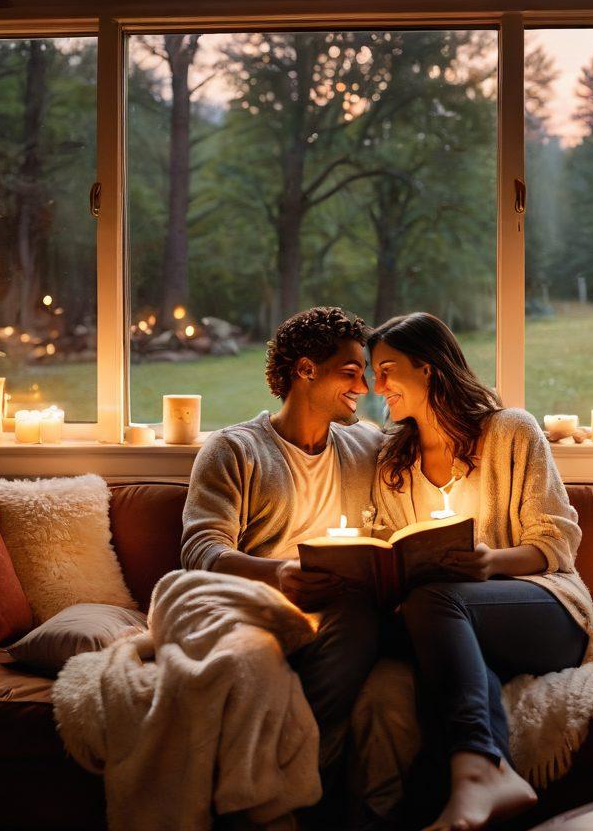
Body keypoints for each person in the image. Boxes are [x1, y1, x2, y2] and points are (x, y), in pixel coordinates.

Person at [367, 312, 593, 831]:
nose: (377, 384)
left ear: (428, 369)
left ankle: (482, 774)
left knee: (436, 601)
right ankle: (458, 798)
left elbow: (557, 540)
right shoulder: (394, 463)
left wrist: (490, 562)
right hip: (448, 620)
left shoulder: (511, 431)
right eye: (372, 371)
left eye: (387, 369)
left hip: (545, 606)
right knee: (428, 628)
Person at [181, 306, 384, 819]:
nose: (363, 386)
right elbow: (200, 551)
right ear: (305, 370)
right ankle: (290, 797)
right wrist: (279, 575)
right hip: (259, 607)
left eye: (365, 372)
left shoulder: (367, 445)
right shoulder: (234, 450)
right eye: (350, 371)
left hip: (339, 612)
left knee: (371, 622)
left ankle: (283, 788)